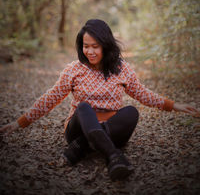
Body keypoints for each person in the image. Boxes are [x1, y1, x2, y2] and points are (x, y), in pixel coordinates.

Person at [0, 19, 199, 181]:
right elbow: (51, 98)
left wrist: (175, 106)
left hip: (112, 128)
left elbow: (142, 93)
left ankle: (80, 148)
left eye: (95, 46)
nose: (90, 52)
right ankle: (113, 156)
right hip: (79, 127)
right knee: (84, 107)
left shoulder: (122, 69)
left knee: (131, 111)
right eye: (86, 46)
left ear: (106, 45)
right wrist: (21, 122)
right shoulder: (74, 70)